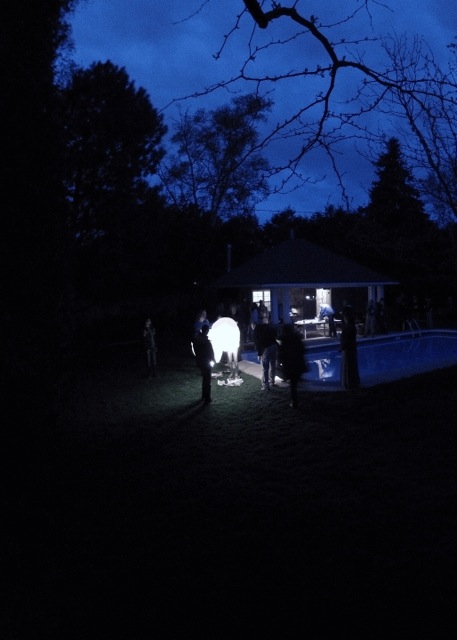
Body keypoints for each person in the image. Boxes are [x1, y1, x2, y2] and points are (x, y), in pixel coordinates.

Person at [278, 324, 307, 408]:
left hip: (289, 364)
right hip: (297, 362)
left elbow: (281, 352)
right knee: (295, 381)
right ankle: (296, 399)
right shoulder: (296, 337)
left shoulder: (284, 339)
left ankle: (294, 401)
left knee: (293, 384)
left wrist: (280, 361)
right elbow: (302, 349)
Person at [252, 318, 278, 391]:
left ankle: (265, 385)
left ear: (253, 326)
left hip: (266, 348)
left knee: (265, 367)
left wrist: (259, 354)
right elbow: (275, 334)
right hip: (274, 345)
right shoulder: (267, 327)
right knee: (273, 365)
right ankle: (272, 381)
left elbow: (257, 344)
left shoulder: (255, 331)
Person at [193, 324, 215, 404]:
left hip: (201, 361)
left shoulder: (198, 339)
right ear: (207, 331)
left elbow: (196, 350)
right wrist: (212, 359)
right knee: (207, 380)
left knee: (204, 379)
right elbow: (210, 352)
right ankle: (207, 398)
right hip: (206, 362)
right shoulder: (205, 341)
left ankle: (203, 396)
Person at [339, 307, 360, 389]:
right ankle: (353, 382)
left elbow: (346, 339)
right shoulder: (352, 326)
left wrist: (341, 347)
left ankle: (348, 383)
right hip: (352, 349)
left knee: (347, 366)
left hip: (347, 350)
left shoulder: (348, 327)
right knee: (352, 366)